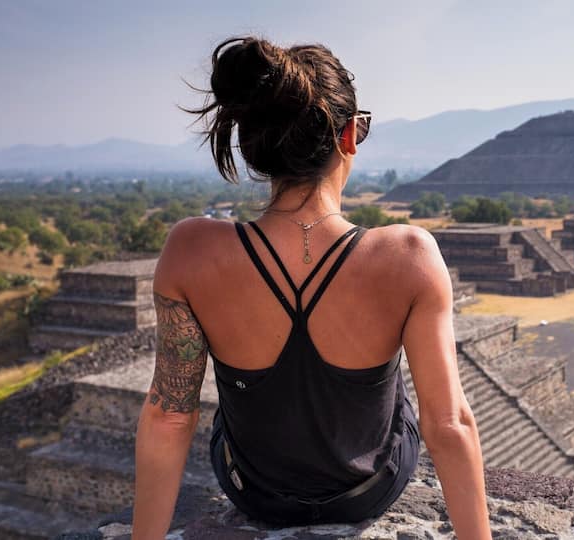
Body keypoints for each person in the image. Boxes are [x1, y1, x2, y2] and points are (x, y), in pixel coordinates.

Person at [131, 36, 491, 539]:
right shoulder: (409, 255)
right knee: (401, 384)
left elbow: (169, 417)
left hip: (253, 492)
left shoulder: (190, 250)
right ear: (350, 135)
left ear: (253, 143)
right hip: (368, 491)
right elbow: (448, 424)